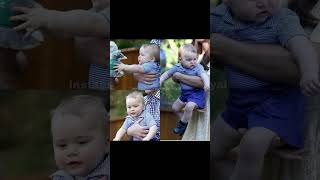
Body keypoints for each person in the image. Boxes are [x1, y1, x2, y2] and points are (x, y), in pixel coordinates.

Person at [211, 0, 320, 180]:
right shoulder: (219, 17)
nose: (264, 3)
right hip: (238, 103)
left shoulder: (280, 19)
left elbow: (302, 46)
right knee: (214, 147)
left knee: (253, 144)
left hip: (275, 102)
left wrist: (308, 72)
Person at [10, 0, 110, 91]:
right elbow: (63, 31)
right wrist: (40, 21)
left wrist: (47, 17)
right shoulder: (95, 12)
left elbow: (94, 23)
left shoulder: (97, 17)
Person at [50, 95, 108, 180]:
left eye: (82, 142)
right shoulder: (59, 177)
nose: (71, 152)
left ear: (106, 144)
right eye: (62, 145)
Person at [160, 44, 210, 135]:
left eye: (194, 59)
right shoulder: (177, 67)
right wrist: (160, 80)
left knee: (189, 106)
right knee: (175, 107)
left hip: (196, 94)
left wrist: (206, 84)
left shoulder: (197, 67)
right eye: (189, 60)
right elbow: (167, 74)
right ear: (180, 59)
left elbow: (204, 75)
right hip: (185, 94)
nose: (192, 62)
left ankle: (182, 125)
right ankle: (184, 121)